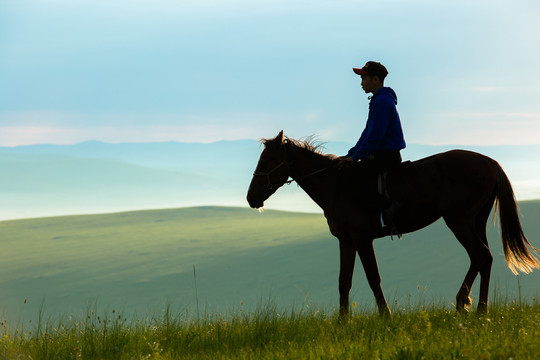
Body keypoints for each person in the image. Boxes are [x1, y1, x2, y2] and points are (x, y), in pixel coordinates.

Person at [339, 61, 406, 229]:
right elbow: (367, 133)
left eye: (364, 78)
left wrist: (355, 158)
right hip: (380, 154)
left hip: (385, 156)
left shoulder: (382, 101)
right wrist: (351, 154)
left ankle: (387, 210)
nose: (362, 83)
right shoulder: (378, 99)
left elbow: (375, 137)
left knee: (357, 181)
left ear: (375, 79)